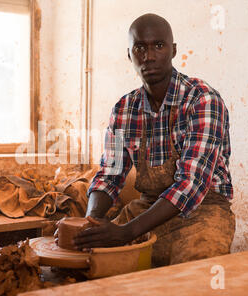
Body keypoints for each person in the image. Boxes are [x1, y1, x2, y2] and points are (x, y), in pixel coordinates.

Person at [69, 13, 235, 267]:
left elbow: (191, 185)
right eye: (140, 48)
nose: (149, 56)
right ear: (129, 55)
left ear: (173, 50)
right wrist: (89, 222)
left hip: (202, 212)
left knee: (195, 279)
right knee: (91, 263)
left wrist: (126, 233)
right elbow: (109, 175)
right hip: (146, 209)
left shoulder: (202, 100)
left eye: (158, 45)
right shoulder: (124, 108)